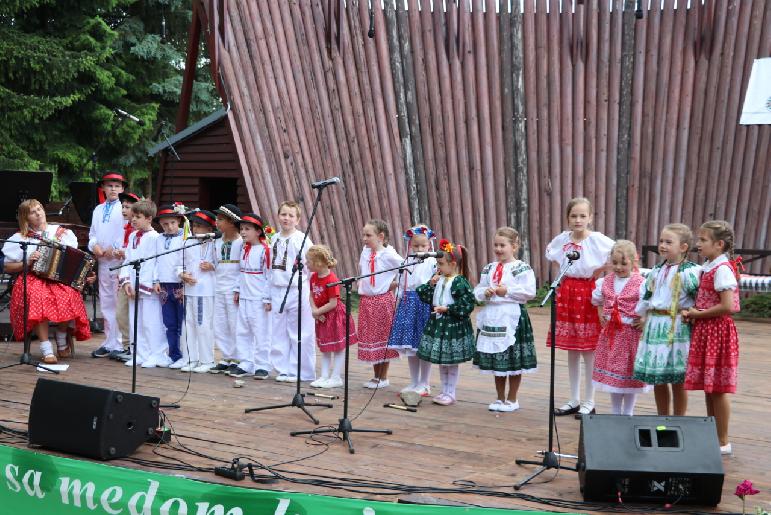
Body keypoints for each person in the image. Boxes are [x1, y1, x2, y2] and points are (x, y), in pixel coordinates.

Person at [545, 197, 614, 417]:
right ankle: (574, 398)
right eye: (573, 216)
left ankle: (589, 400)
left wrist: (599, 270)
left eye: (582, 216)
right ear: (567, 218)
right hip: (567, 292)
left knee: (589, 349)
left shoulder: (598, 240)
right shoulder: (562, 239)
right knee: (572, 349)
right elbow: (554, 255)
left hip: (588, 293)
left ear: (590, 218)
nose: (578, 220)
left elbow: (619, 255)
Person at [1, 199, 91, 363]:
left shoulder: (61, 233)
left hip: (59, 278)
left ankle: (62, 335)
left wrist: (86, 275)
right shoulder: (20, 238)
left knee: (70, 294)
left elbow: (76, 261)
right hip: (32, 277)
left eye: (39, 209)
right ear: (25, 218)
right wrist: (27, 262)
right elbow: (7, 267)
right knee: (37, 297)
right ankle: (45, 347)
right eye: (32, 212)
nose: (38, 213)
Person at [683, 221, 741, 455]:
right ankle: (713, 435)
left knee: (719, 388)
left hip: (718, 332)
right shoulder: (708, 266)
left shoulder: (722, 269)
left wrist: (699, 313)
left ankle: (723, 440)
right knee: (710, 387)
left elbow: (727, 306)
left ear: (719, 244)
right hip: (706, 330)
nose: (698, 244)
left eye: (703, 240)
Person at [633, 223, 700, 416]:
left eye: (668, 242)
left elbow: (700, 298)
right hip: (655, 326)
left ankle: (679, 419)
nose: (662, 245)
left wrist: (694, 314)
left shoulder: (690, 272)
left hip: (676, 326)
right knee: (658, 378)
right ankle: (662, 417)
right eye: (661, 241)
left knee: (678, 378)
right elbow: (646, 295)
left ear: (683, 247)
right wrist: (642, 314)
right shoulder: (656, 270)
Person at [473, 227, 537, 413]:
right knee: (497, 359)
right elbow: (478, 289)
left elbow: (530, 292)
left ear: (514, 246)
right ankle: (500, 397)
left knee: (512, 358)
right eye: (496, 245)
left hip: (512, 316)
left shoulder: (521, 268)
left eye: (503, 245)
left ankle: (512, 398)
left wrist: (506, 291)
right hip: (492, 316)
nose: (498, 249)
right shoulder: (489, 268)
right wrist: (484, 293)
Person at [591, 240, 649, 415]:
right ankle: (616, 411)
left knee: (628, 374)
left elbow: (648, 303)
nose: (618, 267)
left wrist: (645, 318)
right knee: (613, 375)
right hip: (611, 335)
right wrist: (601, 313)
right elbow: (598, 300)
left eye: (623, 263)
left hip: (631, 334)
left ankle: (628, 412)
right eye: (615, 263)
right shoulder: (605, 282)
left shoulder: (641, 283)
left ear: (633, 261)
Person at [416, 239, 476, 406]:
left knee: (451, 362)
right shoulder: (440, 279)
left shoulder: (458, 281)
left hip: (451, 325)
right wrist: (431, 283)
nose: (438, 267)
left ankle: (451, 392)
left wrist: (448, 309)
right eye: (437, 264)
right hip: (439, 324)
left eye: (441, 264)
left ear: (453, 263)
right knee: (443, 362)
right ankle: (444, 391)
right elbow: (424, 295)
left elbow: (467, 304)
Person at [386, 225, 437, 396]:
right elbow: (401, 283)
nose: (420, 249)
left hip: (423, 304)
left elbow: (434, 285)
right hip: (408, 304)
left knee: (422, 346)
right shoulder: (407, 261)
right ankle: (414, 381)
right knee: (411, 347)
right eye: (416, 246)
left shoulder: (432, 262)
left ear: (429, 245)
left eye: (423, 246)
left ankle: (425, 383)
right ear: (410, 245)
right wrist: (398, 299)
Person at [269, 201, 315, 382]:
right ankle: (283, 369)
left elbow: (310, 266)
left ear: (298, 219)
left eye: (290, 215)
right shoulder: (274, 238)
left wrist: (309, 290)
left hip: (297, 289)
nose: (286, 218)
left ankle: (302, 371)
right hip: (277, 289)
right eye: (283, 214)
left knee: (300, 331)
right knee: (278, 331)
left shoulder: (302, 240)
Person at [118, 200, 167, 368]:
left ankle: (156, 353)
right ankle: (139, 353)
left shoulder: (155, 238)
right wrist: (126, 282)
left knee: (150, 322)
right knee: (135, 321)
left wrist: (143, 285)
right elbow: (128, 260)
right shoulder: (132, 236)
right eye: (133, 217)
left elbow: (155, 263)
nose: (133, 220)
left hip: (147, 288)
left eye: (137, 217)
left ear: (149, 218)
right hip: (132, 285)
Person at [357, 219, 403, 389]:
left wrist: (395, 284)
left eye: (368, 235)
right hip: (367, 302)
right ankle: (376, 376)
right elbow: (363, 271)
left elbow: (405, 268)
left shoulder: (389, 254)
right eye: (364, 234)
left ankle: (383, 377)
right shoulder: (365, 252)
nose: (364, 238)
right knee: (371, 339)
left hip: (382, 302)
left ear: (381, 237)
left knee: (382, 338)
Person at [88, 172, 128, 358]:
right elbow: (93, 234)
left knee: (118, 302)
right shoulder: (98, 209)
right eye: (109, 185)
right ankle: (109, 342)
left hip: (119, 260)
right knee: (106, 302)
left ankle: (120, 343)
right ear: (103, 188)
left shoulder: (125, 208)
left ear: (122, 189)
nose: (113, 189)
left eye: (117, 186)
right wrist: (93, 245)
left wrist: (115, 247)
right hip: (103, 261)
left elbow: (126, 231)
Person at [307, 244, 357, 389]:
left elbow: (333, 303)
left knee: (338, 347)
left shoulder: (331, 279)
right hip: (322, 316)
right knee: (325, 347)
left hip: (334, 317)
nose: (306, 264)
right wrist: (315, 310)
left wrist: (318, 312)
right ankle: (324, 376)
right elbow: (311, 295)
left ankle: (336, 377)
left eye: (309, 261)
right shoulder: (314, 277)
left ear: (318, 263)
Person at [230, 214, 272, 378]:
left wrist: (267, 298)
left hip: (258, 299)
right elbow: (240, 272)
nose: (243, 232)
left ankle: (262, 365)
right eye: (241, 229)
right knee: (243, 330)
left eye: (247, 229)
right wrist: (237, 289)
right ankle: (246, 362)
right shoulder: (244, 249)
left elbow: (269, 276)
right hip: (245, 297)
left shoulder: (265, 250)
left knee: (261, 331)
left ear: (258, 231)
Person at [175, 209, 218, 373]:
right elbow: (179, 264)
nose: (195, 229)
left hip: (206, 290)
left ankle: (207, 360)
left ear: (209, 229)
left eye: (200, 226)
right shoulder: (187, 242)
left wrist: (212, 266)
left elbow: (223, 266)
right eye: (194, 225)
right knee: (188, 325)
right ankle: (190, 358)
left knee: (204, 325)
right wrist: (182, 274)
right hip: (189, 289)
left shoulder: (215, 244)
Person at [209, 204, 244, 374]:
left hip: (234, 288)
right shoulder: (216, 242)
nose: (217, 222)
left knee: (235, 323)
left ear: (231, 222)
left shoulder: (241, 242)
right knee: (220, 323)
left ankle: (239, 357)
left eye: (221, 219)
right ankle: (226, 356)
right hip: (218, 286)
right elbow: (215, 263)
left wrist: (238, 288)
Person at [153, 203, 187, 368]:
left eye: (172, 222)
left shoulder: (186, 238)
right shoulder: (159, 239)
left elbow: (187, 259)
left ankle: (184, 355)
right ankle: (173, 354)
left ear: (179, 221)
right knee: (169, 323)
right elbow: (155, 260)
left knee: (182, 321)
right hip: (165, 286)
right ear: (160, 224)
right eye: (165, 224)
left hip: (180, 284)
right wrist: (156, 280)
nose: (169, 226)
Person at [111, 191, 141, 361]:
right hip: (125, 274)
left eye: (128, 207)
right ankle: (127, 346)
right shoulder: (125, 230)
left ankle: (133, 347)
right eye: (123, 206)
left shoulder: (139, 233)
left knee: (131, 314)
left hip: (134, 276)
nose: (124, 209)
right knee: (121, 314)